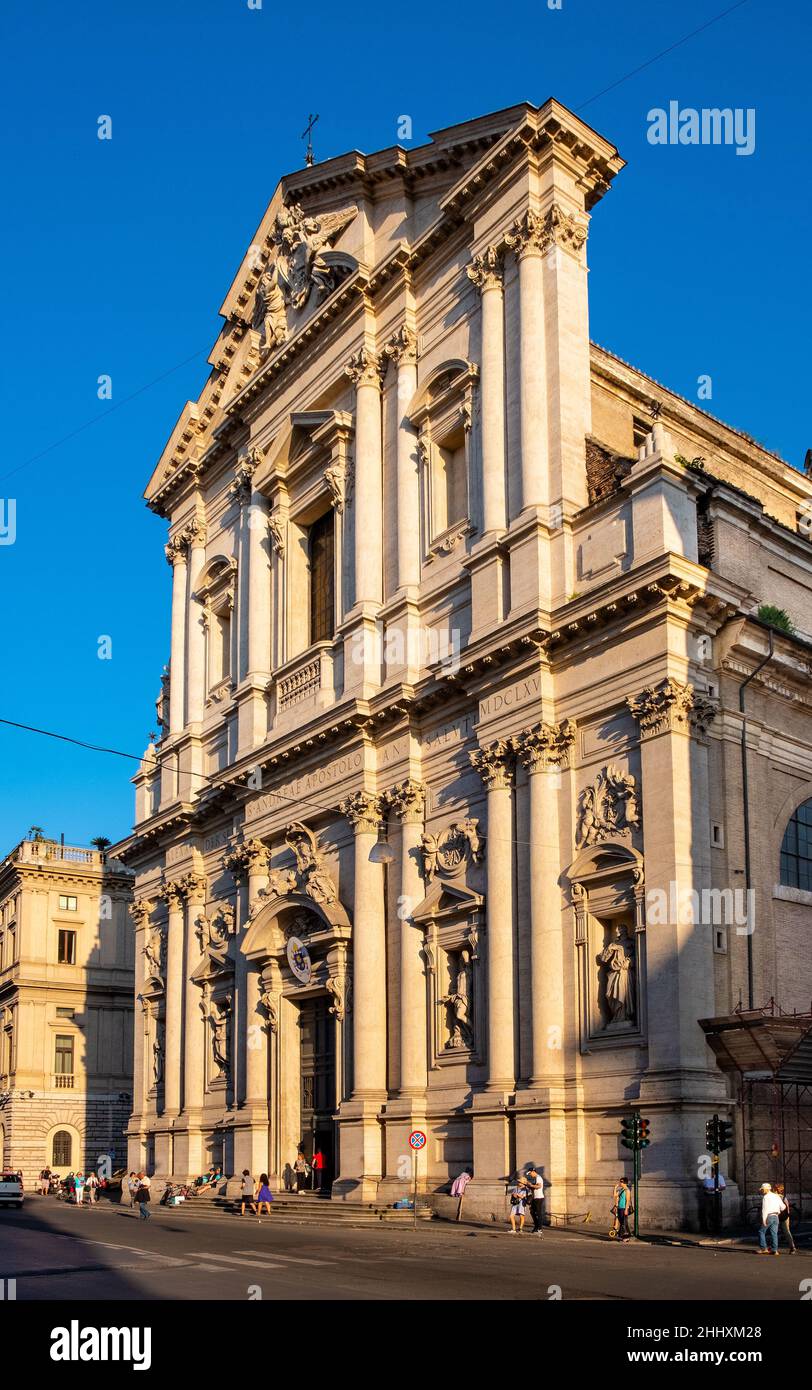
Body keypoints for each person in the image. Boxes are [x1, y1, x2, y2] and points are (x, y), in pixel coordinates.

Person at [758, 1182, 786, 1255]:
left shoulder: (766, 1197)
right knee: (774, 1233)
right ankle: (775, 1250)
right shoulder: (776, 1196)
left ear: (766, 1189)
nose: (762, 1191)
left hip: (769, 1216)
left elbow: (765, 1209)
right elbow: (783, 1207)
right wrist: (778, 1211)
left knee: (761, 1231)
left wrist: (764, 1220)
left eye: (763, 1189)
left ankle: (764, 1248)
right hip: (776, 1217)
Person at [774, 1183, 797, 1254]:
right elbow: (788, 1209)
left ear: (776, 1189)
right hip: (785, 1216)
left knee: (774, 1232)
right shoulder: (784, 1197)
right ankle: (792, 1247)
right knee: (787, 1231)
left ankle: (774, 1248)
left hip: (777, 1216)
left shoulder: (774, 1197)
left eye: (774, 1188)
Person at [525, 1165, 545, 1238]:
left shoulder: (538, 1178)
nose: (530, 1175)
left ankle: (539, 1228)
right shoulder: (535, 1178)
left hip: (539, 1198)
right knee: (532, 1212)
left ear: (533, 1172)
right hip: (535, 1197)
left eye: (530, 1173)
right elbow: (535, 1187)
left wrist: (531, 1185)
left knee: (538, 1213)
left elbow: (539, 1186)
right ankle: (536, 1227)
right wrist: (529, 1186)